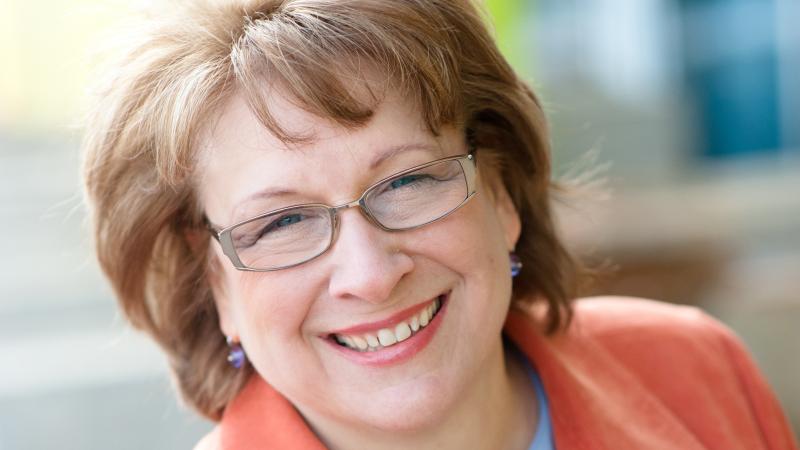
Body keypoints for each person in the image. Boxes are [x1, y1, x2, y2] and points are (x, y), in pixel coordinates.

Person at [81, 1, 798, 449]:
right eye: (282, 223)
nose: (369, 273)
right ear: (216, 284)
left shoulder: (697, 370)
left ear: (502, 195)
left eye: (408, 182)